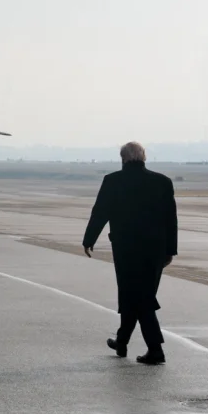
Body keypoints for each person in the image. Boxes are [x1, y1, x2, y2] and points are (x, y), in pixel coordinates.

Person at [82, 141, 177, 365]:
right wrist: (170, 250)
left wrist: (89, 240)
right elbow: (170, 220)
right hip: (155, 251)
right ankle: (122, 341)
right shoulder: (162, 182)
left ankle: (155, 350)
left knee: (137, 297)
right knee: (137, 296)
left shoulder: (113, 181)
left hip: (126, 250)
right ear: (144, 157)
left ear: (123, 158)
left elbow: (100, 212)